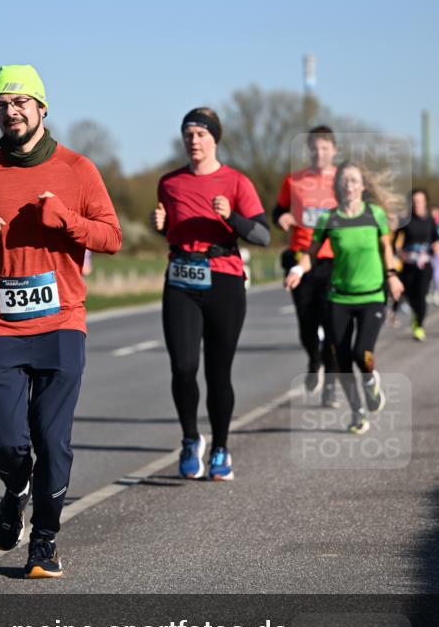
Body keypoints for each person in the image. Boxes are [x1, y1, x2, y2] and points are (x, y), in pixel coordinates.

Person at [0, 64, 122, 578]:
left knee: (52, 438)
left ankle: (43, 542)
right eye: (3, 103)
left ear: (43, 108)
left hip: (61, 322)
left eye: (21, 101)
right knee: (4, 440)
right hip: (0, 324)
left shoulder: (78, 169)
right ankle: (16, 485)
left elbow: (110, 237)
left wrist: (67, 220)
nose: (12, 110)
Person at [153, 107, 270, 481]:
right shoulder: (169, 184)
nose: (194, 140)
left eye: (201, 133)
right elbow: (175, 229)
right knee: (183, 367)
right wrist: (162, 227)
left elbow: (263, 235)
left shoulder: (236, 182)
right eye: (188, 133)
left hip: (224, 280)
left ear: (215, 139)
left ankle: (221, 448)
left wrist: (231, 217)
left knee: (219, 372)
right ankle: (191, 439)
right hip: (181, 279)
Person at [285, 161, 404, 435]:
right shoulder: (329, 219)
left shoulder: (375, 214)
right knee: (341, 359)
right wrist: (297, 270)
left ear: (363, 186)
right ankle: (357, 411)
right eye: (344, 181)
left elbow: (386, 249)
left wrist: (392, 275)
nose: (349, 185)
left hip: (372, 295)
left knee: (363, 354)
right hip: (339, 298)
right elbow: (311, 253)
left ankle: (371, 379)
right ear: (338, 187)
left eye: (354, 180)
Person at [273, 126, 339, 406]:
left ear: (334, 150)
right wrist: (282, 219)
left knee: (334, 328)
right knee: (306, 326)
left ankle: (331, 387)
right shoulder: (294, 180)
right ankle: (314, 359)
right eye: (314, 147)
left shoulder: (344, 181)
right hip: (301, 260)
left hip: (334, 260)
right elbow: (278, 210)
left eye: (325, 147)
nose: (319, 153)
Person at [394, 190, 439, 341]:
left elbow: (436, 239)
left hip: (424, 265)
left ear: (425, 202)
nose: (417, 203)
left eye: (420, 200)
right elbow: (395, 242)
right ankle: (416, 314)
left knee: (421, 295)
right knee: (409, 295)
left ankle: (419, 325)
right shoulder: (406, 220)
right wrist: (400, 253)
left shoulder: (430, 220)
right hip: (408, 265)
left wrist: (436, 247)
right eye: (414, 201)